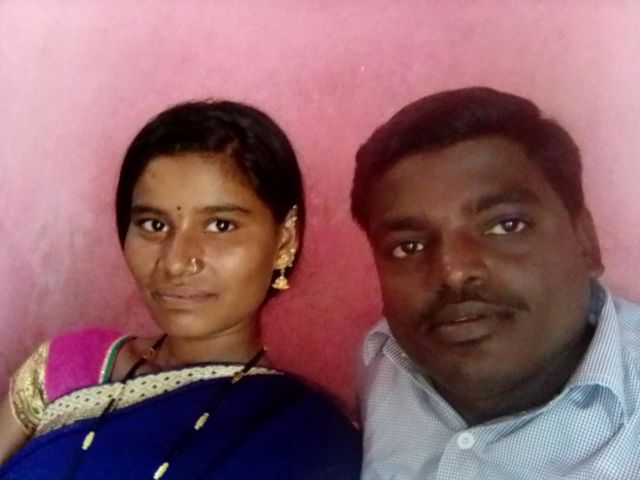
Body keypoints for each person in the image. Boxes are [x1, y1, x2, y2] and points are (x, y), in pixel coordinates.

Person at [0, 100, 361, 479]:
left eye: (220, 225)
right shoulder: (70, 366)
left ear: (284, 240)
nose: (175, 262)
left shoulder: (307, 438)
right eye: (154, 225)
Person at [351, 87, 640, 479]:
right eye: (409, 246)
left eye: (506, 225)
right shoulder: (381, 361)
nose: (453, 271)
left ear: (586, 242)